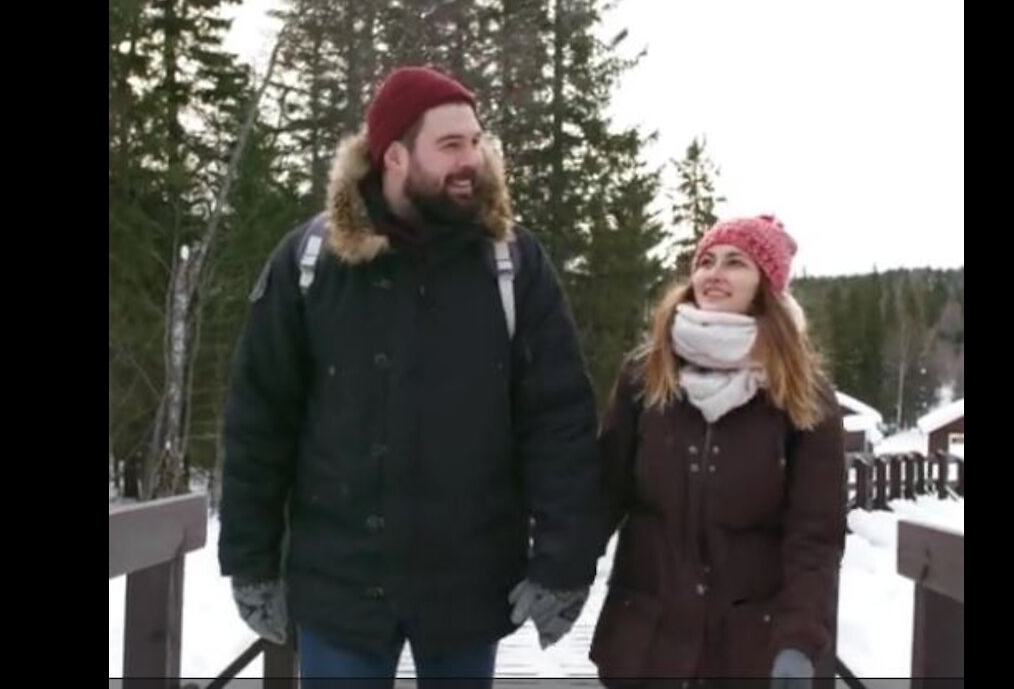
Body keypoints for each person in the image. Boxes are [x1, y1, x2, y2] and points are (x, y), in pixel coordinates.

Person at [217, 65, 601, 686]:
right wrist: (250, 559)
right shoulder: (312, 261)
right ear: (395, 155)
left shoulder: (513, 264)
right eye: (450, 145)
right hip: (338, 586)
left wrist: (564, 563)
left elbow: (558, 419)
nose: (471, 160)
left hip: (468, 590)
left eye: (476, 142)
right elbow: (260, 418)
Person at [590, 216, 846, 687]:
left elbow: (816, 538)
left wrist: (800, 640)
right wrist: (562, 571)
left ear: (765, 285)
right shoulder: (645, 374)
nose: (714, 273)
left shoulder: (805, 395)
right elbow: (604, 494)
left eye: (735, 262)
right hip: (648, 644)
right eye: (705, 261)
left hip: (749, 649)